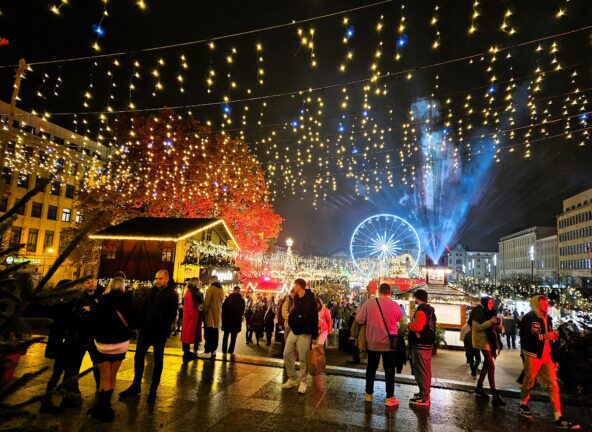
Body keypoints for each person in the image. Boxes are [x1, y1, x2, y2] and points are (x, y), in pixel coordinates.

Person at [518, 295, 580, 429]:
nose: (546, 306)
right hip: (533, 355)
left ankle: (558, 416)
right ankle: (523, 403)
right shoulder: (529, 318)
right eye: (543, 304)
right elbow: (527, 336)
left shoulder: (549, 318)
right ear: (536, 304)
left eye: (547, 303)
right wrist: (545, 336)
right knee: (529, 380)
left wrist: (553, 343)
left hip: (546, 356)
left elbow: (549, 337)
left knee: (553, 384)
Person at [119, 270, 178, 403]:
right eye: (156, 278)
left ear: (167, 279)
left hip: (159, 332)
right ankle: (136, 385)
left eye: (161, 279)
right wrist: (140, 325)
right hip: (146, 330)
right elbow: (144, 308)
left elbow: (171, 315)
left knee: (158, 359)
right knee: (138, 356)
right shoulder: (152, 291)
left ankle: (153, 389)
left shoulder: (172, 294)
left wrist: (164, 327)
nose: (158, 281)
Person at [87, 277, 133, 422]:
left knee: (104, 377)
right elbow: (135, 320)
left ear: (110, 285)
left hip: (104, 343)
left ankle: (103, 408)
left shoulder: (103, 300)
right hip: (122, 343)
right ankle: (106, 406)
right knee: (112, 375)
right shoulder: (129, 301)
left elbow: (92, 320)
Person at [356, 283, 402, 407]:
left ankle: (369, 394)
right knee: (389, 371)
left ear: (379, 291)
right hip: (389, 343)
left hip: (373, 343)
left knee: (371, 368)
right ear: (390, 292)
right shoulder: (394, 305)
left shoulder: (369, 303)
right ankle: (389, 397)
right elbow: (399, 318)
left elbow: (359, 319)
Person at [40, 280, 80, 413]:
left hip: (64, 343)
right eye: (72, 288)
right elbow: (68, 321)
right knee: (68, 371)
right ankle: (50, 401)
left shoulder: (66, 303)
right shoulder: (61, 304)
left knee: (61, 372)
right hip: (62, 344)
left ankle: (51, 400)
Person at [282, 278, 318, 394]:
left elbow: (314, 318)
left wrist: (314, 336)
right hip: (295, 330)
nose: (293, 287)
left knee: (303, 358)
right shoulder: (296, 298)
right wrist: (293, 320)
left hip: (305, 332)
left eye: (295, 285)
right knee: (286, 353)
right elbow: (295, 312)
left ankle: (303, 382)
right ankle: (292, 378)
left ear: (299, 286)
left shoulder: (311, 300)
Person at [471, 296, 506, 405]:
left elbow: (497, 329)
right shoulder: (478, 311)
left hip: (490, 341)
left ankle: (479, 387)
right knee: (491, 366)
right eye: (489, 303)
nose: (491, 305)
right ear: (485, 302)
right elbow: (477, 328)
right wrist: (491, 322)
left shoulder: (490, 312)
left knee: (487, 365)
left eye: (492, 303)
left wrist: (499, 324)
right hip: (482, 342)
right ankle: (495, 395)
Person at [408, 289, 436, 407]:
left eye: (415, 297)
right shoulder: (430, 310)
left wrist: (409, 325)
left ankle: (424, 397)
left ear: (418, 298)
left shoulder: (421, 311)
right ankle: (423, 394)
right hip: (427, 344)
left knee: (422, 371)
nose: (414, 299)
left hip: (421, 345)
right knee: (425, 370)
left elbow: (418, 327)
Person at [73, 277, 101, 392]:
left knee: (97, 361)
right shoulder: (79, 298)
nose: (91, 284)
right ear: (84, 284)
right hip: (82, 335)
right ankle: (73, 385)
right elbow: (77, 313)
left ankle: (100, 384)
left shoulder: (99, 297)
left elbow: (101, 311)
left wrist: (92, 309)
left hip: (95, 336)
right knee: (77, 361)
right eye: (88, 282)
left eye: (93, 282)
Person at [198, 275, 225, 359]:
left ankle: (207, 351)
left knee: (208, 333)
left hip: (210, 315)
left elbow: (207, 303)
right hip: (217, 315)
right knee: (215, 333)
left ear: (212, 280)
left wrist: (204, 311)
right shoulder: (221, 289)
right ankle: (213, 351)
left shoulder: (211, 288)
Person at [181, 278, 202, 361]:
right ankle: (186, 352)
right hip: (190, 318)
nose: (199, 283)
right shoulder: (190, 293)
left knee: (188, 334)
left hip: (191, 317)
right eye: (198, 282)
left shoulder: (192, 292)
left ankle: (188, 351)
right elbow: (190, 307)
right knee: (187, 334)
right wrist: (196, 311)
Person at [221, 286, 246, 354]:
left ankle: (224, 351)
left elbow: (223, 310)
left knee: (225, 337)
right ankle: (230, 351)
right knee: (233, 338)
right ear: (239, 291)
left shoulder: (228, 299)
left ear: (233, 290)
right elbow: (242, 311)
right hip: (236, 322)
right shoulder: (242, 300)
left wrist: (223, 319)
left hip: (227, 321)